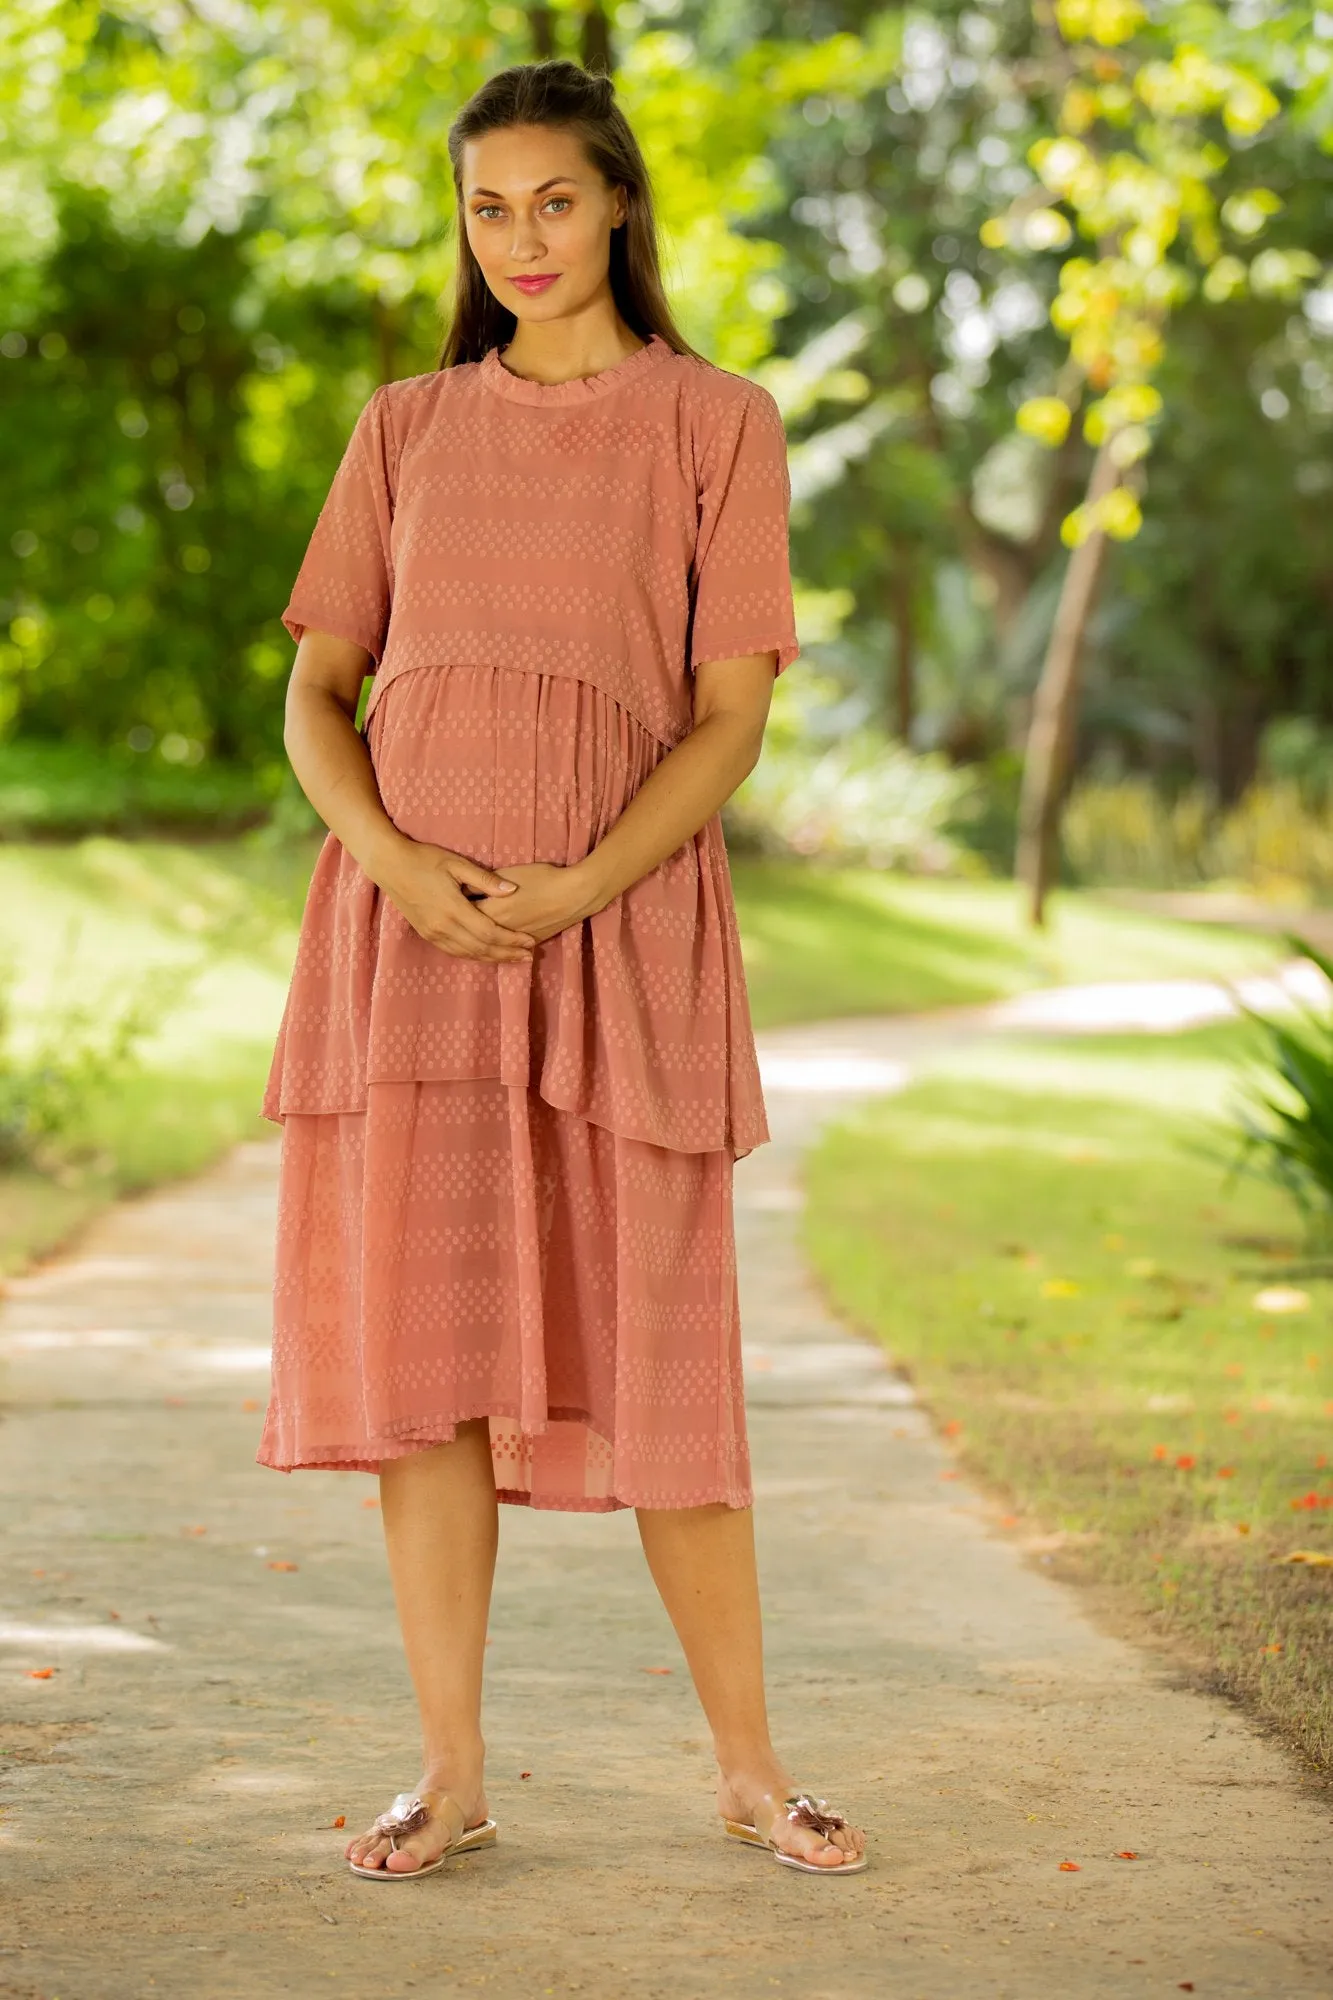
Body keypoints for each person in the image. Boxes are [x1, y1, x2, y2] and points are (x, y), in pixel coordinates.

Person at [258, 56, 867, 1881]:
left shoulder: (719, 422)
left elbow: (731, 714)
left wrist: (585, 881)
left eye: (551, 200)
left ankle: (752, 1771)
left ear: (617, 205)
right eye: (485, 208)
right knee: (424, 1369)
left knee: (669, 1355)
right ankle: (450, 1772)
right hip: (411, 940)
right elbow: (313, 692)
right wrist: (400, 870)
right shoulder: (403, 428)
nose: (519, 238)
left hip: (626, 939)